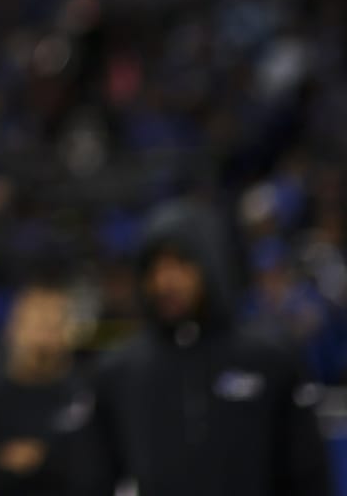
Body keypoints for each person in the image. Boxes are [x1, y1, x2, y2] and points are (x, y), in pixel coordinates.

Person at [85, 199, 333, 495]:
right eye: (155, 267)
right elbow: (96, 480)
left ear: (210, 262)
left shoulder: (269, 359)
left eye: (180, 263)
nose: (166, 281)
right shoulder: (120, 372)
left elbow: (309, 476)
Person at [0, 281, 96, 495]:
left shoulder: (86, 394)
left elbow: (89, 471)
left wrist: (39, 458)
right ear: (13, 329)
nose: (43, 336)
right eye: (36, 324)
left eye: (53, 325)